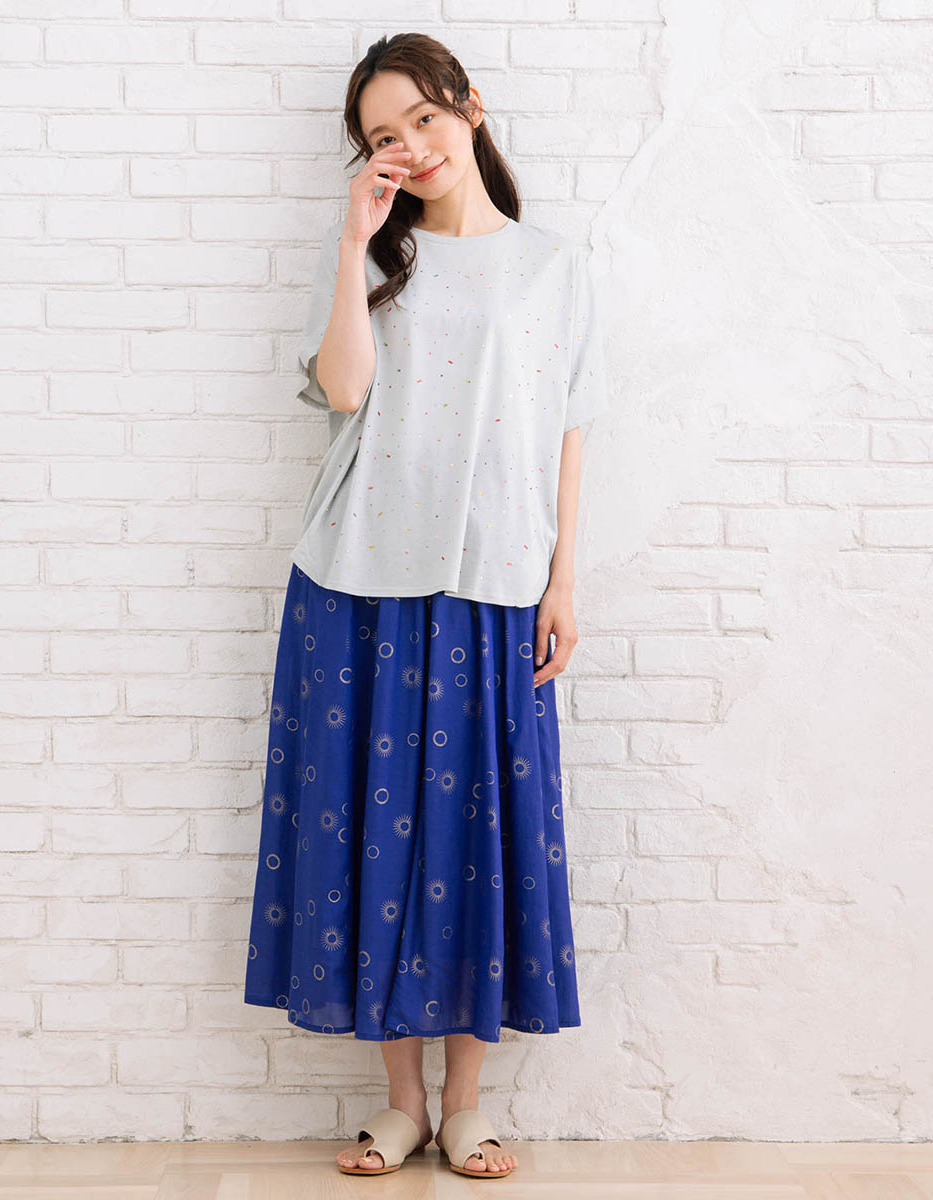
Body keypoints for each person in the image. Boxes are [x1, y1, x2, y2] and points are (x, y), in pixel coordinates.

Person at [244, 31, 607, 1181]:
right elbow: (343, 391)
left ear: (471, 108)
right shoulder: (374, 256)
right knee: (375, 834)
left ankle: (464, 1106)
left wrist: (562, 581)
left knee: (477, 838)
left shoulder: (551, 266)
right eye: (382, 138)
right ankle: (398, 1105)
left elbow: (566, 427)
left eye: (424, 120)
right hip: (359, 580)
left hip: (496, 584)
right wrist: (353, 245)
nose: (409, 147)